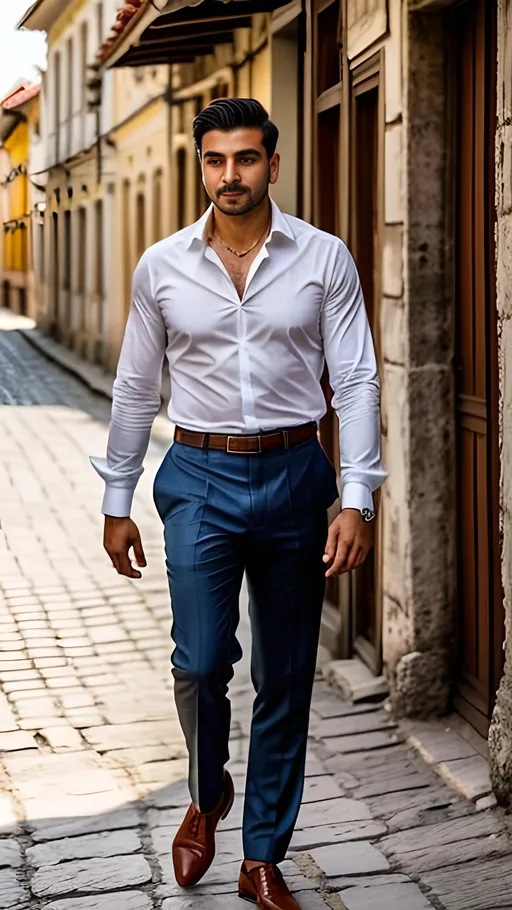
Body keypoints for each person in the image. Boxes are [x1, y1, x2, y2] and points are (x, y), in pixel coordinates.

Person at [91, 97, 386, 909]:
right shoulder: (162, 266)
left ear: (273, 165)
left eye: (246, 158)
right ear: (201, 166)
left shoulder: (324, 259)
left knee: (287, 671)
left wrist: (355, 497)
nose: (231, 175)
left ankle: (263, 852)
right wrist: (118, 499)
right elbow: (133, 387)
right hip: (199, 476)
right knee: (198, 660)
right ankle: (206, 787)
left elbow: (355, 378)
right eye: (216, 160)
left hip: (296, 476)